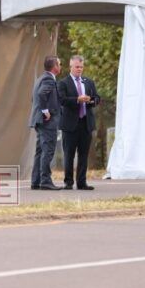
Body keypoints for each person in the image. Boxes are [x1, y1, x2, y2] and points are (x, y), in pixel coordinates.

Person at [58, 55, 101, 190]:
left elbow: (97, 98)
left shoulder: (88, 82)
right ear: (70, 66)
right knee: (69, 155)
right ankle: (68, 182)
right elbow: (62, 100)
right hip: (70, 125)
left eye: (81, 67)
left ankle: (82, 182)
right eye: (77, 67)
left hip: (86, 124)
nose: (79, 69)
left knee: (83, 155)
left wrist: (90, 100)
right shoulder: (63, 83)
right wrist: (77, 100)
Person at [29, 55, 63, 190]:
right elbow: (42, 94)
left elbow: (34, 97)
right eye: (59, 64)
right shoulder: (49, 79)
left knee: (40, 151)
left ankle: (36, 180)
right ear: (55, 66)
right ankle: (45, 181)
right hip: (47, 122)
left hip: (39, 121)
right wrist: (45, 111)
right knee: (48, 150)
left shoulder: (41, 78)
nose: (61, 66)